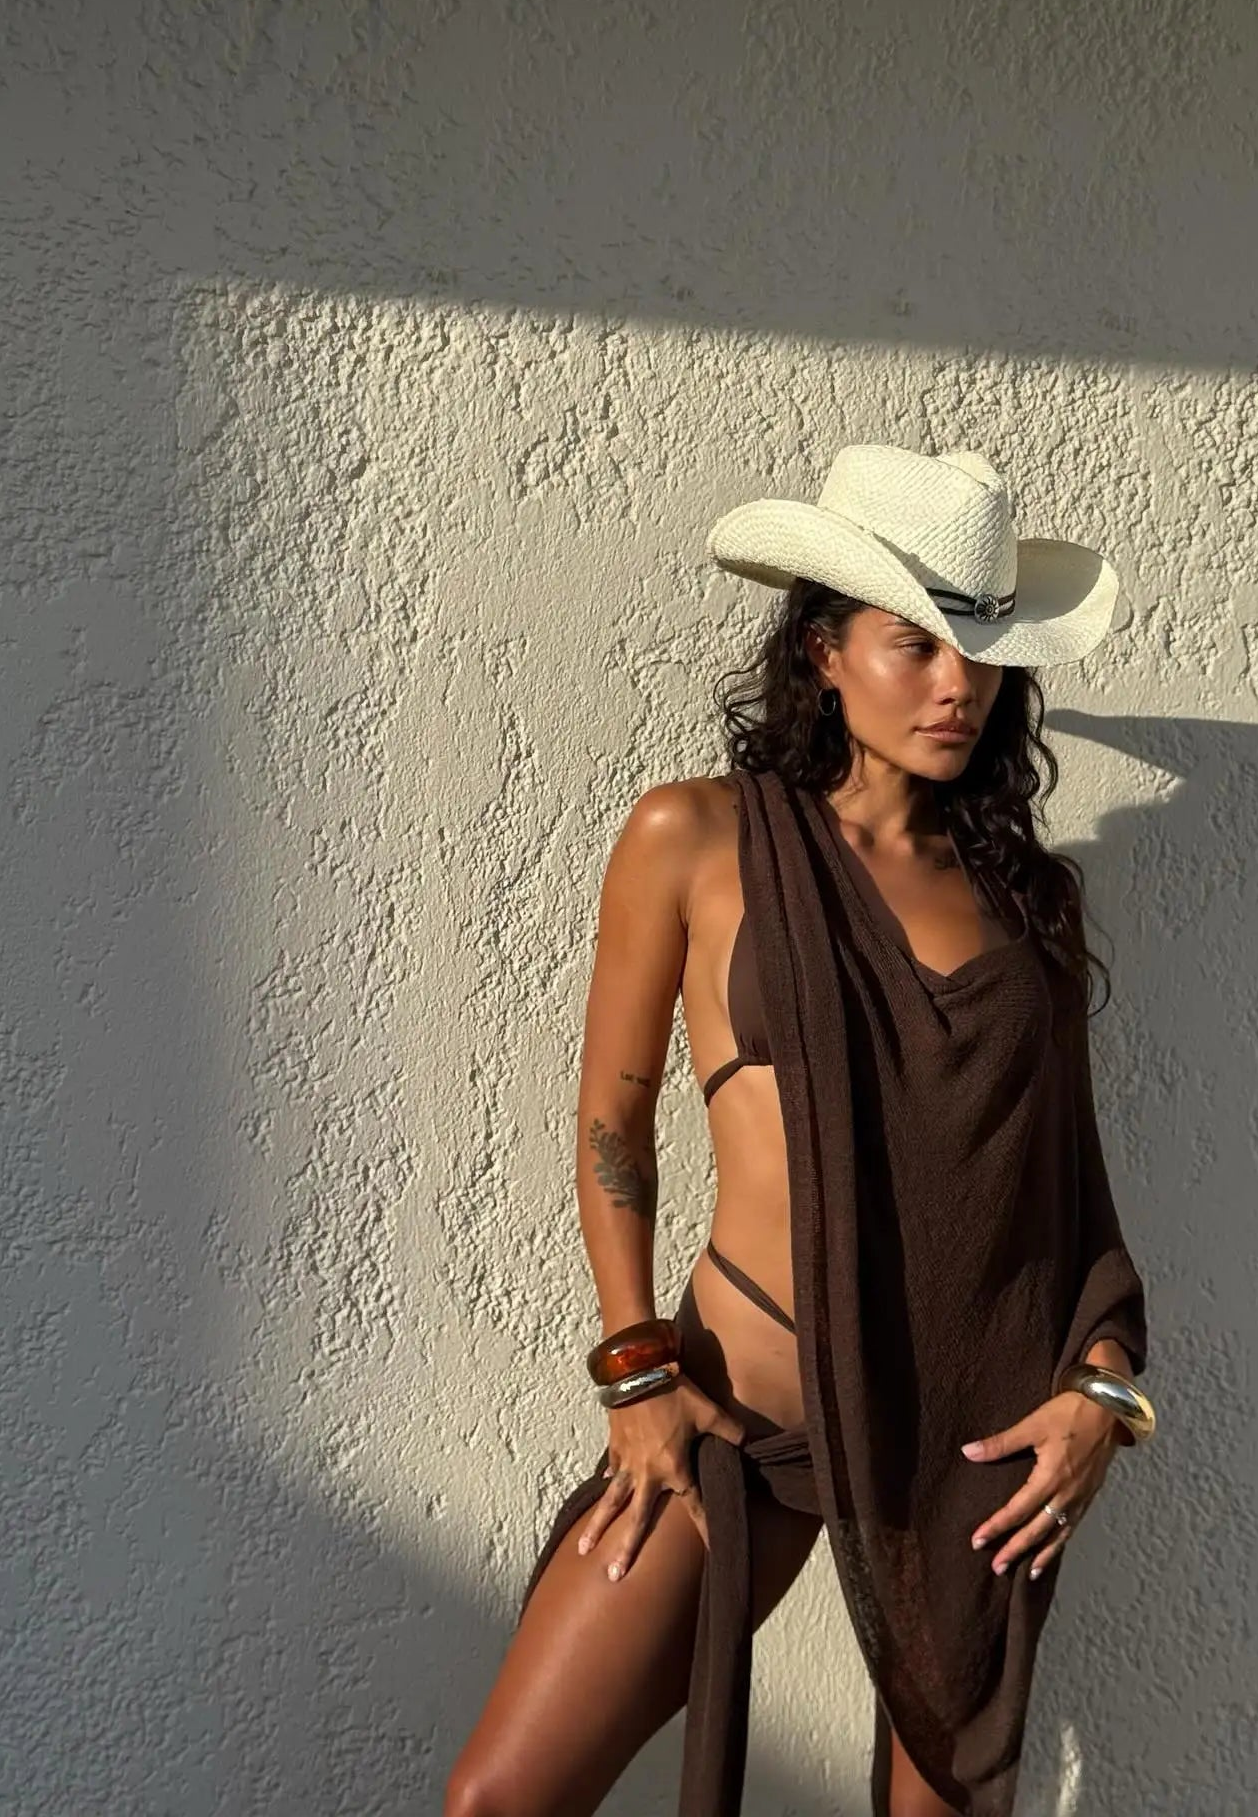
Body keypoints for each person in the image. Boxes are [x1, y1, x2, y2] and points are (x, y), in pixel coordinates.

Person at [445, 445, 1155, 1817]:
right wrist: (636, 1371)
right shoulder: (696, 838)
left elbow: (1070, 1199)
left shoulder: (1026, 905)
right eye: (917, 645)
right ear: (824, 650)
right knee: (503, 1798)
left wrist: (1102, 1395)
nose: (961, 686)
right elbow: (612, 1115)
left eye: (986, 654)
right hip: (738, 1405)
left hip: (973, 1442)